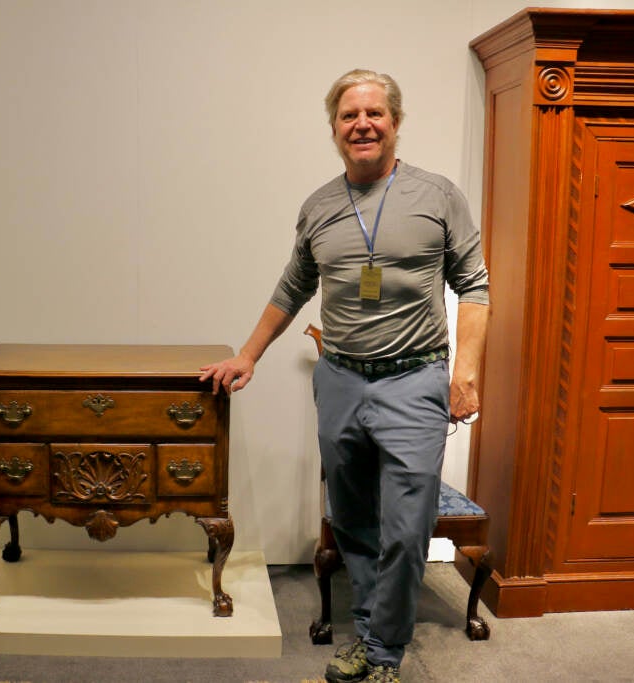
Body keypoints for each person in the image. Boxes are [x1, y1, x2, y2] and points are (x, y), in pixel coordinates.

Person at [199, 69, 489, 683]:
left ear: (395, 122)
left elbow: (477, 287)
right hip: (340, 380)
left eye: (375, 113)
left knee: (407, 529)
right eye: (349, 115)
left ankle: (383, 654)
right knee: (353, 517)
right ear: (334, 128)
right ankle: (374, 631)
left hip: (415, 380)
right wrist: (248, 355)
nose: (362, 124)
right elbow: (292, 288)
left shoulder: (438, 196)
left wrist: (463, 374)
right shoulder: (320, 206)